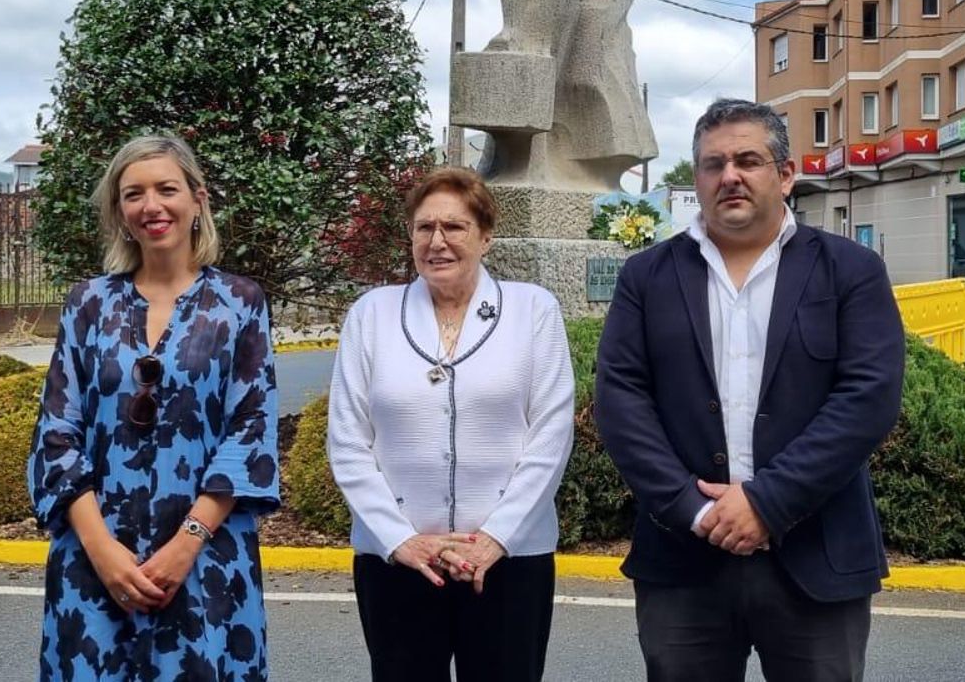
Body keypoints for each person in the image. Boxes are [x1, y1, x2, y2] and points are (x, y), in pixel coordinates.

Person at [594, 98, 905, 682]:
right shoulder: (647, 277)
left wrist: (767, 502)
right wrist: (696, 510)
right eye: (712, 164)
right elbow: (621, 401)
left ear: (785, 175)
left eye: (747, 160)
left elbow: (868, 398)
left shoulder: (851, 270)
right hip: (684, 559)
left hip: (815, 556)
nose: (729, 176)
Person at [29, 133, 279, 681]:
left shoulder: (240, 302)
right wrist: (102, 551)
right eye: (133, 194)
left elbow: (250, 427)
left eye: (166, 189)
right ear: (119, 212)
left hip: (206, 559)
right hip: (93, 561)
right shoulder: (88, 304)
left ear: (198, 199)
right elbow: (57, 431)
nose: (151, 206)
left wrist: (184, 547)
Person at [328, 167, 575, 682]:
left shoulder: (533, 310)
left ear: (485, 236)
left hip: (510, 559)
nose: (437, 241)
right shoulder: (371, 314)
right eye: (424, 228)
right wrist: (400, 539)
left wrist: (494, 538)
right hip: (398, 560)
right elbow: (349, 441)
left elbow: (550, 435)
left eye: (455, 227)